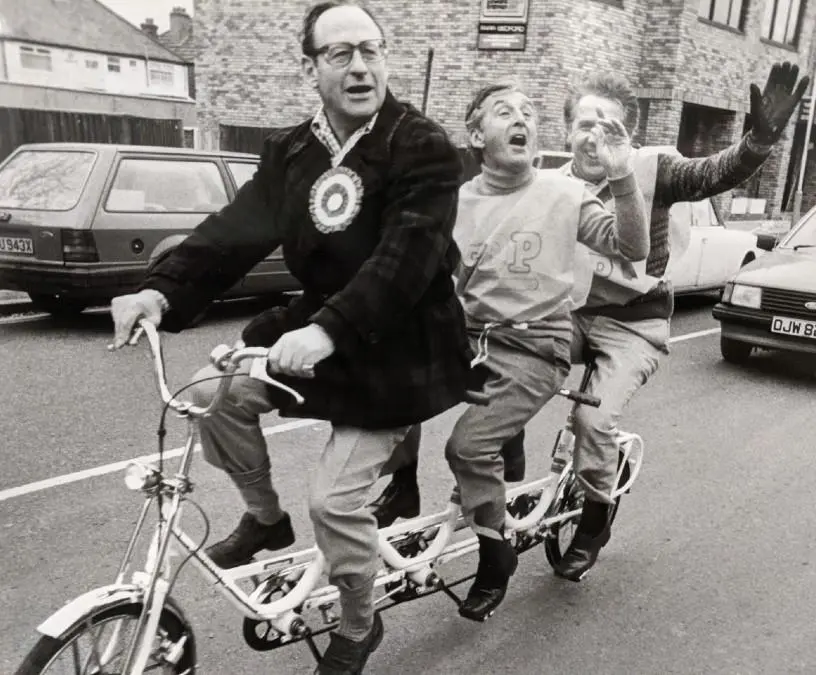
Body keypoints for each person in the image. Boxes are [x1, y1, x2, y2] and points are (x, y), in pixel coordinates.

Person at [109, 2, 475, 672]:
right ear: (309, 66)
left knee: (333, 503)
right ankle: (264, 518)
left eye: (370, 49)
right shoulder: (291, 150)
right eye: (340, 53)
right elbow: (234, 230)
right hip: (319, 327)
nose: (360, 65)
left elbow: (406, 259)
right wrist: (161, 289)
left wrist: (327, 330)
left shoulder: (420, 145)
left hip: (397, 345)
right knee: (213, 397)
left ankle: (359, 626)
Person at [370, 62, 810, 583]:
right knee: (485, 363)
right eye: (584, 123)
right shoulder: (544, 183)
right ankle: (495, 450)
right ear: (566, 132)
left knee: (593, 423)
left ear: (628, 136)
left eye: (609, 126)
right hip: (565, 319)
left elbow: (713, 173)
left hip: (632, 324)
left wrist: (758, 142)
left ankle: (594, 519)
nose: (594, 136)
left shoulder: (652, 169)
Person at [437, 81, 650, 621]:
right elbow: (438, 283)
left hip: (535, 344)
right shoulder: (456, 204)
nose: (521, 120)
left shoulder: (565, 195)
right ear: (475, 133)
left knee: (465, 448)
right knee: (384, 401)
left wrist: (622, 176)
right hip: (468, 342)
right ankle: (401, 499)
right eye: (504, 112)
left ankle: (493, 553)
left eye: (529, 113)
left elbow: (634, 248)